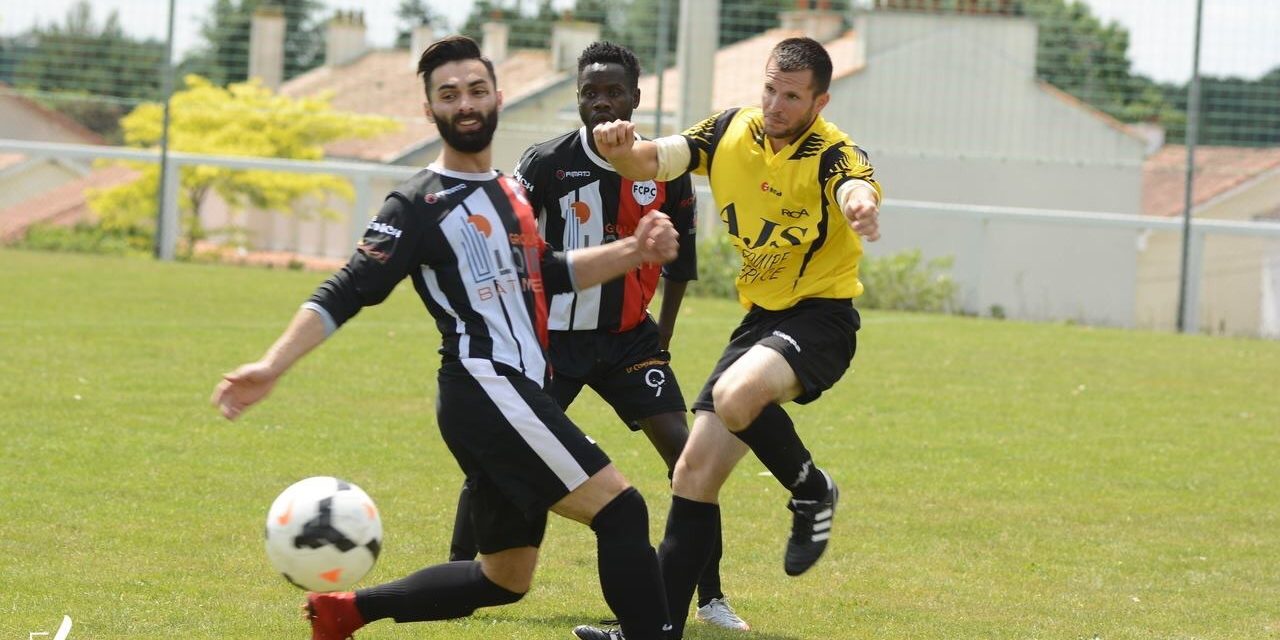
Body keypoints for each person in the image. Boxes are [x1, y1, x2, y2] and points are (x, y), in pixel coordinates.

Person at [210, 35, 677, 640]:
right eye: (448, 94)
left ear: (498, 98)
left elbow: (547, 273)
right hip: (486, 387)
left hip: (503, 396)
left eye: (476, 90)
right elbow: (346, 289)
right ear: (429, 110)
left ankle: (346, 612)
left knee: (503, 578)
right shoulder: (416, 205)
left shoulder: (509, 191)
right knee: (622, 509)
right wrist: (271, 365)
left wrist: (633, 250)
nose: (465, 103)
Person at [572, 36, 883, 640]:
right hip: (760, 322)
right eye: (770, 89)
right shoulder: (729, 130)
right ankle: (653, 631)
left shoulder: (832, 153)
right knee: (692, 475)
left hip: (821, 319)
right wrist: (621, 148)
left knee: (738, 398)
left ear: (819, 100)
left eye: (791, 96)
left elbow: (855, 185)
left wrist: (861, 206)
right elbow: (652, 161)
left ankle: (812, 490)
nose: (775, 105)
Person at [445, 41, 750, 633]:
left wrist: (659, 338)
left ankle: (709, 596)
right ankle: (459, 573)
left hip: (629, 343)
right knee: (498, 450)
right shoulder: (545, 163)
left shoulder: (665, 166)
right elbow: (512, 245)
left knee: (691, 461)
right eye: (590, 92)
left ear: (636, 96)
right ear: (578, 99)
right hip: (553, 344)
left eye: (614, 91)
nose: (602, 101)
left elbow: (681, 266)